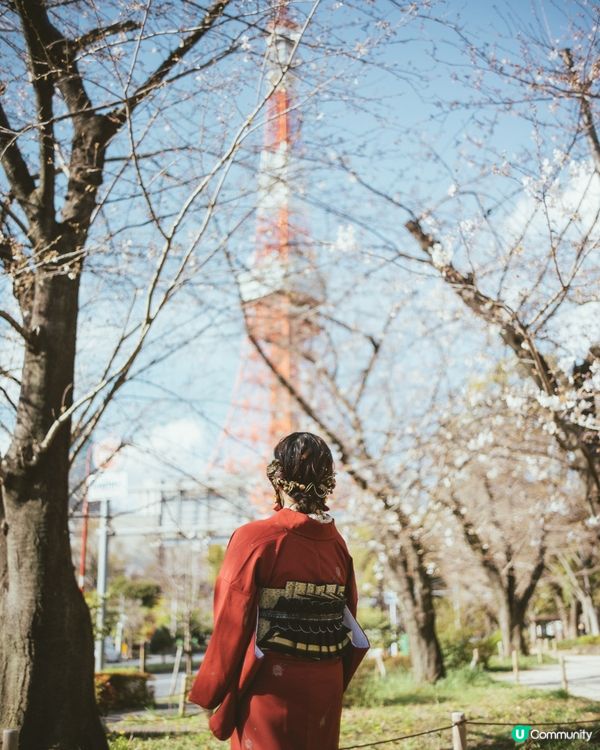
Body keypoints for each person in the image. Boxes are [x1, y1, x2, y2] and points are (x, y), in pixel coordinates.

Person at [189, 431, 369, 749]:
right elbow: (348, 617)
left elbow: (231, 622)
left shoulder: (255, 539)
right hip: (325, 681)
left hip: (271, 682)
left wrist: (209, 692)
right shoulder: (337, 545)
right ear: (328, 482)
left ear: (278, 479)